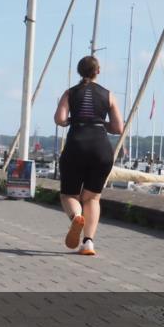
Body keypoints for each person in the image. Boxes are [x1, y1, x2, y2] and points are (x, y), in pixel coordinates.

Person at [53, 56, 124, 256]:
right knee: (92, 198)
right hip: (101, 148)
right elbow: (118, 127)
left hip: (76, 145)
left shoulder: (70, 93)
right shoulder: (108, 95)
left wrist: (70, 121)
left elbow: (59, 118)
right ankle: (88, 243)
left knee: (69, 194)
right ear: (98, 71)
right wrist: (101, 123)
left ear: (79, 71)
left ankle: (77, 216)